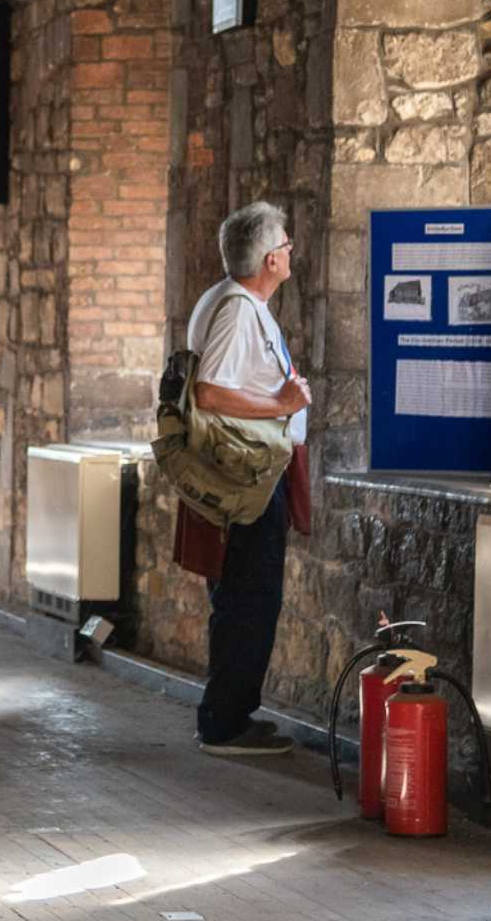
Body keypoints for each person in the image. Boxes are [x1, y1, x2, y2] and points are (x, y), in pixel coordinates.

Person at [178, 201, 313, 757]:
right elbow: (209, 391)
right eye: (283, 245)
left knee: (239, 592)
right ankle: (226, 721)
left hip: (242, 471)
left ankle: (227, 712)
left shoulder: (231, 300)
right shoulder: (236, 309)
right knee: (250, 594)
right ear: (266, 259)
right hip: (247, 476)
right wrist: (282, 401)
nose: (289, 252)